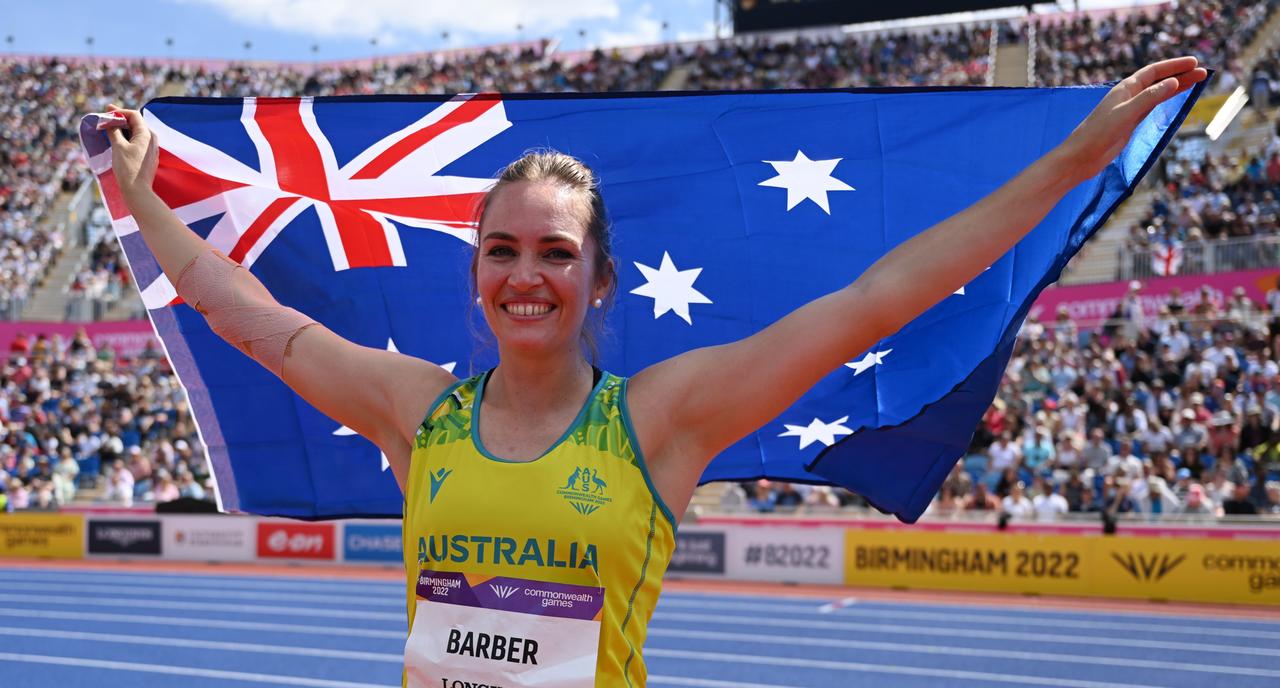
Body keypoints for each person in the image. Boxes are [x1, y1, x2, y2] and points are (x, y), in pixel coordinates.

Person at [102, 57, 1207, 687]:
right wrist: (145, 196)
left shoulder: (664, 419)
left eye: (554, 253)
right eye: (501, 250)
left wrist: (1071, 157)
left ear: (599, 283)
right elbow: (246, 314)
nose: (524, 275)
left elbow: (880, 297)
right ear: (474, 274)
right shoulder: (415, 413)